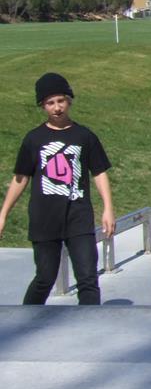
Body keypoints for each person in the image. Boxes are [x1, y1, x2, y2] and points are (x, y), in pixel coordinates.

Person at [0, 73, 114, 305]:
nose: (57, 108)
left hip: (78, 216)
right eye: (50, 103)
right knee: (45, 277)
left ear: (69, 101)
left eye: (61, 101)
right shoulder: (34, 139)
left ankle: (90, 328)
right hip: (44, 218)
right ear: (43, 105)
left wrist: (108, 208)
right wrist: (3, 215)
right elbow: (20, 178)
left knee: (88, 278)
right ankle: (27, 319)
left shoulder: (84, 136)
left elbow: (99, 172)